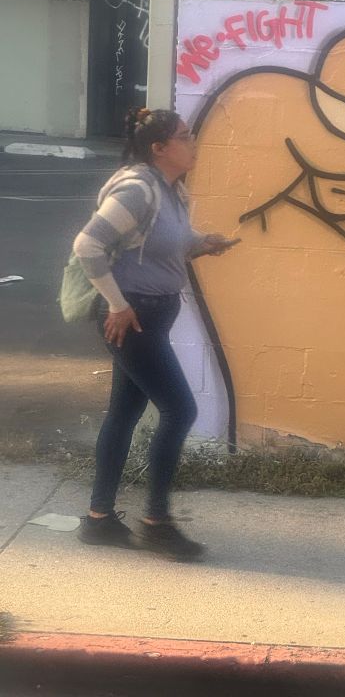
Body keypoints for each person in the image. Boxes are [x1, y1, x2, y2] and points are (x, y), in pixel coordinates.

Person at [73, 108, 237, 559]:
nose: (193, 143)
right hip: (133, 318)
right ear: (159, 148)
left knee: (123, 415)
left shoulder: (171, 190)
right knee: (180, 410)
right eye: (185, 137)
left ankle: (99, 520)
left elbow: (164, 242)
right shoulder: (137, 188)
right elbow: (88, 245)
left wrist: (201, 244)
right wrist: (118, 304)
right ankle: (157, 523)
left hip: (151, 316)